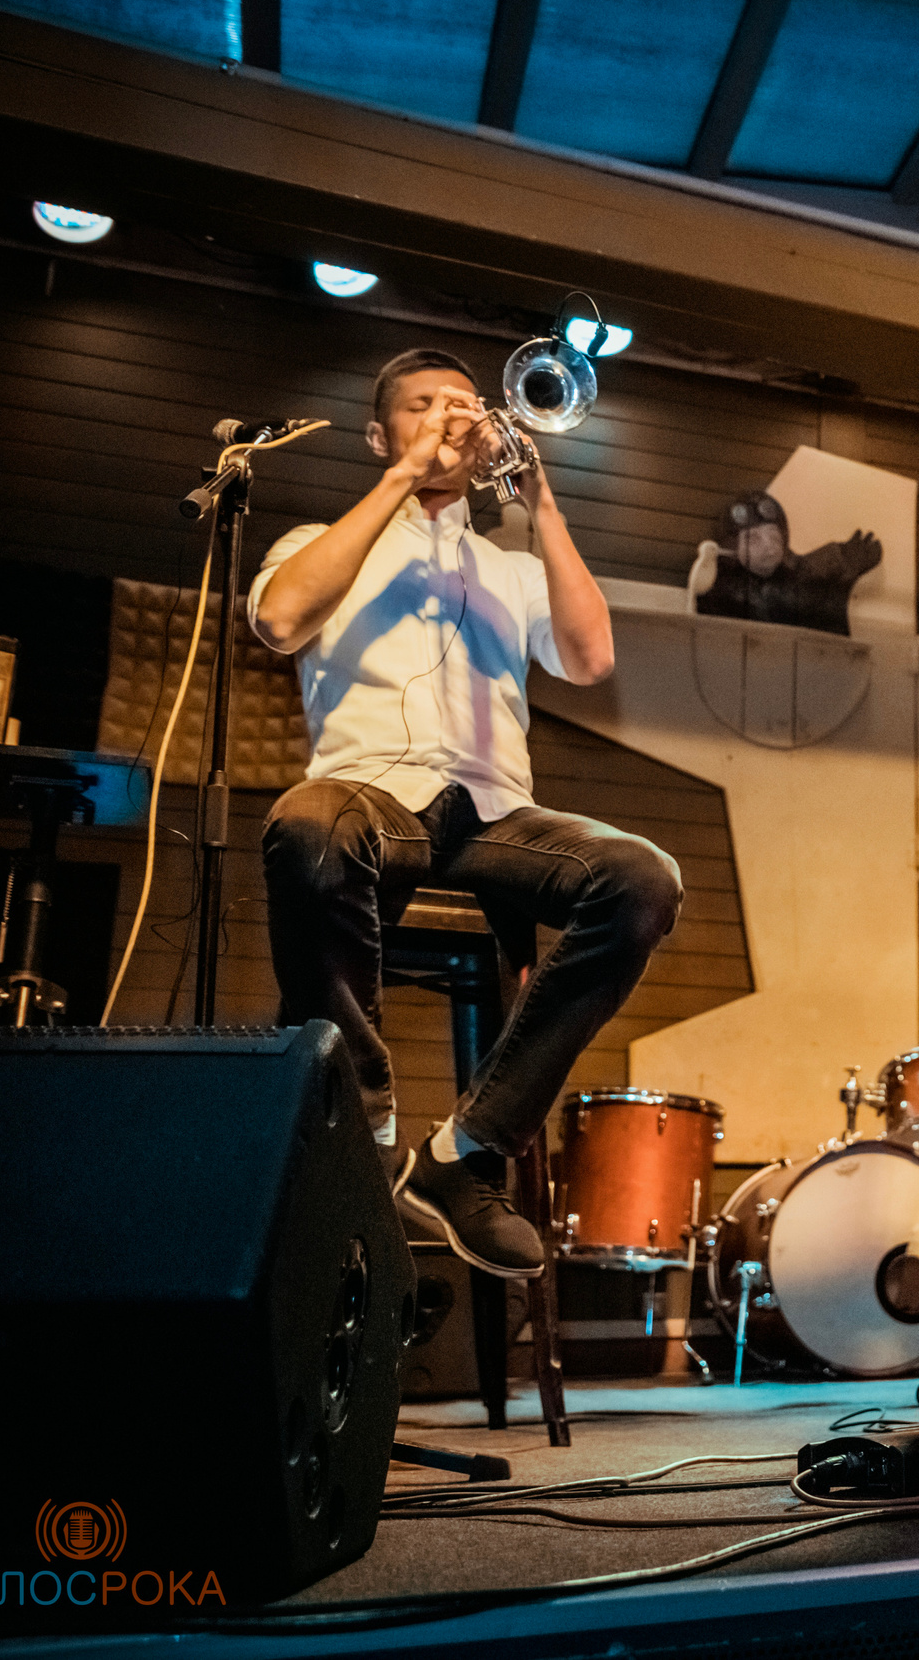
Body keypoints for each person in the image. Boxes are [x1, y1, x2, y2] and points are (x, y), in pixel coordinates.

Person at [251, 348, 683, 1278]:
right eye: (420, 406)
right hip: (370, 795)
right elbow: (281, 619)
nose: (450, 417)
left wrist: (545, 505)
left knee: (643, 875)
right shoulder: (315, 539)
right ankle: (358, 1132)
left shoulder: (513, 567)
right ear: (379, 434)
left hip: (492, 815)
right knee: (307, 824)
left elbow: (590, 657)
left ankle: (467, 1153)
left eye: (462, 403)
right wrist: (407, 477)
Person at [692, 489, 883, 634]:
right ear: (732, 547)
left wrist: (842, 574)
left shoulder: (806, 576)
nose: (769, 547)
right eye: (753, 539)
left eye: (774, 537)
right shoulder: (719, 588)